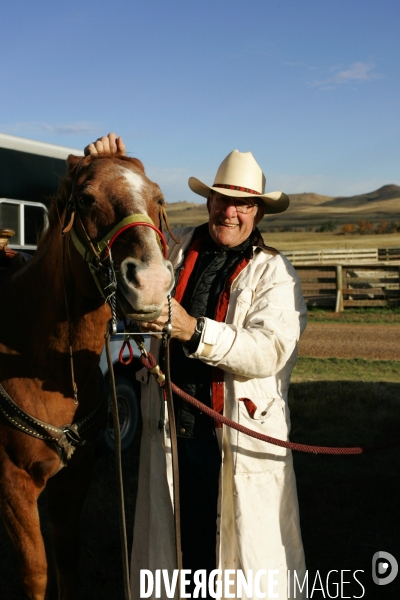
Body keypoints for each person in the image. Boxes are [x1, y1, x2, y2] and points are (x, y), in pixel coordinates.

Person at [85, 134, 307, 600]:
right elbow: (131, 236)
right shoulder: (177, 249)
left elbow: (268, 350)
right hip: (171, 429)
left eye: (242, 205)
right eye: (221, 200)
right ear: (208, 202)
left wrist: (194, 330)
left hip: (235, 436)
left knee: (239, 557)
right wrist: (111, 166)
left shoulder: (275, 274)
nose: (230, 211)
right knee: (180, 554)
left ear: (258, 213)